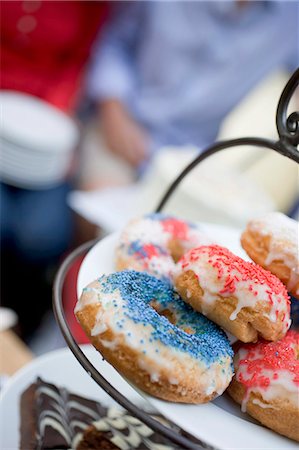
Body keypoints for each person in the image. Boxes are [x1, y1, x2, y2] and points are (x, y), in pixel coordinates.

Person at [81, 1, 297, 190]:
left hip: (190, 159)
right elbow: (116, 41)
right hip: (123, 124)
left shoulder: (292, 15)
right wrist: (113, 110)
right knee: (105, 210)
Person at [0, 0, 108, 340]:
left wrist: (60, 117)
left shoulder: (91, 7)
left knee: (43, 233)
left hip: (43, 130)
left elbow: (79, 62)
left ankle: (18, 334)